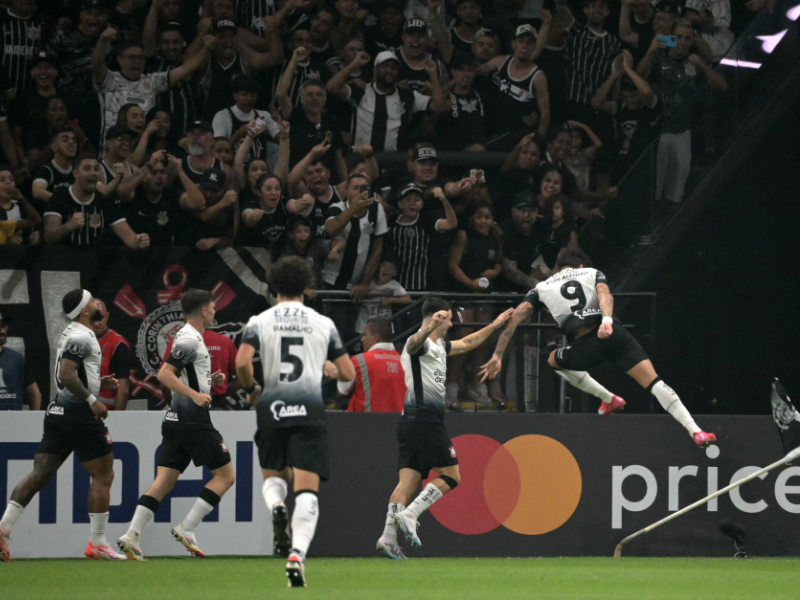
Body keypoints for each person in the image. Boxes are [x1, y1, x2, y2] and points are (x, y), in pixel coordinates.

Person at [479, 248, 717, 448]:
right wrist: (606, 321)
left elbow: (515, 319)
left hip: (585, 347)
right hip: (615, 336)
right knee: (655, 383)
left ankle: (608, 398)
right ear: (580, 265)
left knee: (552, 360)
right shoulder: (592, 272)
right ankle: (696, 431)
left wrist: (497, 355)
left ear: (559, 268)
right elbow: (605, 295)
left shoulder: (540, 288)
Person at [235, 256, 356, 587]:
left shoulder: (259, 321)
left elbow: (242, 362)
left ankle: (276, 504)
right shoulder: (323, 323)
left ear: (273, 286)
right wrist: (330, 369)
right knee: (307, 491)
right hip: (309, 413)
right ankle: (297, 556)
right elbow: (348, 373)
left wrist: (250, 389)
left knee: (274, 477)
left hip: (271, 410)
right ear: (305, 286)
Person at [378, 297, 512, 559]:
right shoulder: (420, 341)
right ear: (438, 316)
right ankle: (411, 513)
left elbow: (467, 343)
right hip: (424, 420)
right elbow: (414, 343)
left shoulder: (439, 345)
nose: (452, 324)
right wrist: (428, 327)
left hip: (410, 423)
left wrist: (495, 325)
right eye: (450, 318)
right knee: (452, 476)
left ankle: (388, 536)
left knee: (407, 482)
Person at [0, 289, 125, 562]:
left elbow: (70, 373)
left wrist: (97, 382)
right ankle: (98, 543)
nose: (96, 302)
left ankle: (3, 527)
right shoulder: (81, 335)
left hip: (58, 411)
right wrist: (93, 398)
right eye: (92, 299)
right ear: (84, 310)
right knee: (103, 476)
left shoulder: (73, 332)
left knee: (39, 475)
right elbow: (66, 374)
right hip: (79, 414)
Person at [117, 289, 234, 561]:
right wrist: (195, 395)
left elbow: (183, 374)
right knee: (226, 477)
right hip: (194, 419)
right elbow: (164, 374)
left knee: (164, 481)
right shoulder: (190, 339)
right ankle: (188, 528)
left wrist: (208, 382)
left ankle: (132, 535)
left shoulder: (189, 337)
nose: (216, 312)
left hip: (174, 420)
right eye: (213, 307)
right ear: (204, 311)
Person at [637, 18, 728, 206]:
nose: (683, 42)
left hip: (683, 132)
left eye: (687, 38)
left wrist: (702, 65)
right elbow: (638, 77)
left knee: (676, 193)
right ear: (672, 37)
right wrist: (650, 50)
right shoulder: (659, 57)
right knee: (653, 189)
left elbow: (723, 86)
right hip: (657, 133)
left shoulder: (693, 62)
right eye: (678, 37)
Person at [91, 30, 213, 148]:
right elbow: (96, 64)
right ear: (120, 59)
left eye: (140, 58)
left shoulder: (151, 81)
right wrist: (102, 41)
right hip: (112, 151)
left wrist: (206, 48)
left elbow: (185, 69)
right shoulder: (109, 79)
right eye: (132, 57)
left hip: (144, 150)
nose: (137, 62)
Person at [326, 50, 448, 152]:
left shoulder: (407, 95)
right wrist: (355, 63)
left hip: (393, 163)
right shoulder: (361, 91)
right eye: (384, 67)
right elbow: (331, 87)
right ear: (375, 70)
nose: (389, 71)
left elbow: (438, 106)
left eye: (393, 67)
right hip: (360, 161)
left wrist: (432, 73)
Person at [42, 154, 150, 249]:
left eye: (96, 169)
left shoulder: (104, 201)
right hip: (60, 262)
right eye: (87, 168)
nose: (93, 173)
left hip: (91, 262)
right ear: (75, 173)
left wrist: (139, 241)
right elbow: (49, 237)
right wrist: (69, 226)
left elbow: (129, 237)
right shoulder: (59, 198)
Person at [477, 23, 550, 150]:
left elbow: (545, 113)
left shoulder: (538, 77)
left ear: (534, 47)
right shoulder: (500, 61)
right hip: (495, 127)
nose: (524, 45)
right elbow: (472, 73)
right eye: (520, 41)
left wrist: (539, 142)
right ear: (513, 44)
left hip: (517, 134)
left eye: (529, 42)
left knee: (480, 150)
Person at [387, 183, 457, 291]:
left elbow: (451, 224)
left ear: (422, 204)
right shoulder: (391, 224)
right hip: (394, 284)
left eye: (417, 199)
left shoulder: (426, 220)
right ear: (400, 204)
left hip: (421, 285)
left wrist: (444, 200)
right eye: (408, 199)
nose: (413, 203)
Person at [331, 316, 406, 413]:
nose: (361, 339)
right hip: (397, 424)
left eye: (365, 335)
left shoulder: (359, 361)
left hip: (365, 423)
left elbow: (342, 391)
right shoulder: (404, 361)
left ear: (375, 336)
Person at [353, 256, 411, 336]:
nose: (386, 269)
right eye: (384, 266)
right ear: (378, 268)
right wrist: (369, 294)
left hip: (384, 327)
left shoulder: (394, 285)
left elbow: (407, 299)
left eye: (391, 268)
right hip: (364, 325)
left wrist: (391, 300)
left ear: (395, 273)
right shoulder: (369, 282)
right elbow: (356, 294)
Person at [92, 299, 131, 412]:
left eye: (100, 318)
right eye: (93, 319)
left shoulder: (118, 344)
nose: (96, 323)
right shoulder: (80, 341)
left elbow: (123, 385)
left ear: (107, 316)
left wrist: (117, 418)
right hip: (82, 410)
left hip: (106, 411)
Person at [0, 311, 41, 411]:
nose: (2, 331)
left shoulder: (16, 358)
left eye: (3, 326)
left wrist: (33, 421)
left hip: (13, 423)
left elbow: (34, 393)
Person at [31, 128, 77, 203]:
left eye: (74, 140)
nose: (71, 142)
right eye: (65, 140)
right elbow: (37, 192)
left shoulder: (78, 171)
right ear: (54, 147)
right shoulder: (46, 170)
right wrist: (66, 201)